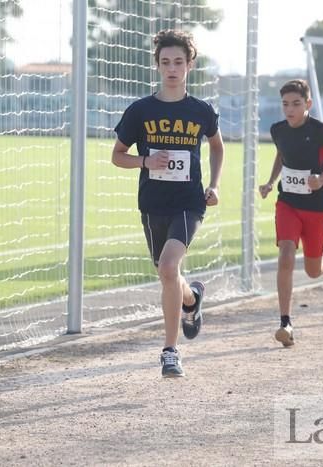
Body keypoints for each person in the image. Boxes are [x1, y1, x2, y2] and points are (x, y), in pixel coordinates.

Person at [111, 30, 224, 377]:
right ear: (157, 66)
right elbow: (117, 156)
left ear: (190, 65)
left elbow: (218, 147)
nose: (172, 69)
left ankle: (170, 351)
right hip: (152, 203)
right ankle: (192, 298)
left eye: (178, 62)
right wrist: (146, 162)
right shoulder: (141, 110)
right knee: (168, 274)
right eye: (165, 62)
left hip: (190, 203)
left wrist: (214, 185)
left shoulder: (201, 111)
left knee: (168, 267)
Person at [259, 79, 323, 347]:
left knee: (312, 270)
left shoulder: (321, 130)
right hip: (287, 204)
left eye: (296, 104)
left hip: (315, 208)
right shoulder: (278, 130)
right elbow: (281, 155)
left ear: (307, 104)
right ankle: (285, 321)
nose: (290, 109)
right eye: (285, 104)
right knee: (286, 254)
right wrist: (271, 181)